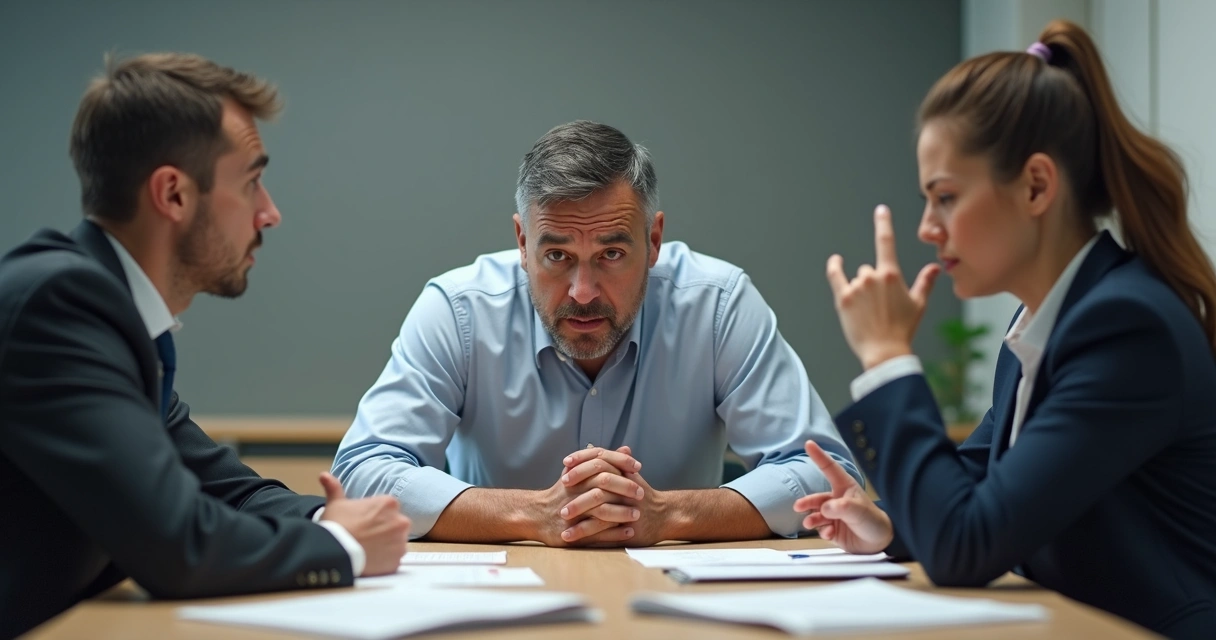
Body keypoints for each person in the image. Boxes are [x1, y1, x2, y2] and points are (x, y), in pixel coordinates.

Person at [795, 20, 1216, 638]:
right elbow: (978, 491)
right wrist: (890, 525)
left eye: (945, 197)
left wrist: (886, 355)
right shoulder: (1043, 324)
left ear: (1037, 186)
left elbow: (968, 546)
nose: (927, 229)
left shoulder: (1127, 326)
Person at [0, 53, 410, 639]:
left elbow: (227, 491)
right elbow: (176, 545)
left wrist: (330, 517)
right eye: (251, 182)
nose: (270, 213)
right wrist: (341, 545)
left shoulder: (110, 312)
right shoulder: (61, 306)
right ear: (173, 194)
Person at [333, 120, 858, 546]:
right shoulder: (457, 310)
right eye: (557, 255)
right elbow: (364, 468)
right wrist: (533, 514)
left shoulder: (718, 304)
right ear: (521, 241)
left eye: (611, 254)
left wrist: (665, 514)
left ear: (653, 241)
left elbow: (829, 476)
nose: (583, 291)